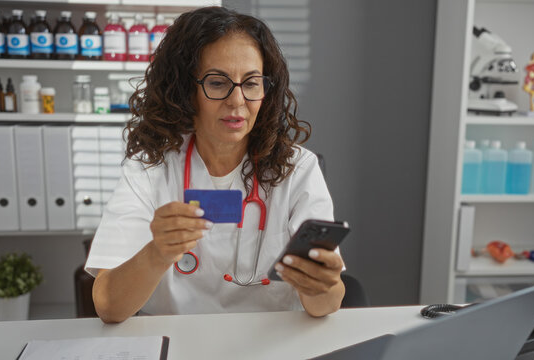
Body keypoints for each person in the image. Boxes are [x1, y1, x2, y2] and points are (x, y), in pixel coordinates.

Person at [85, 6, 345, 323]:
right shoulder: (149, 168)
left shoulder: (298, 168)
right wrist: (158, 252)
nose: (237, 101)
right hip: (177, 344)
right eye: (218, 82)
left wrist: (323, 285)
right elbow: (109, 307)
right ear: (185, 90)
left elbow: (326, 305)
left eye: (251, 83)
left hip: (270, 345)